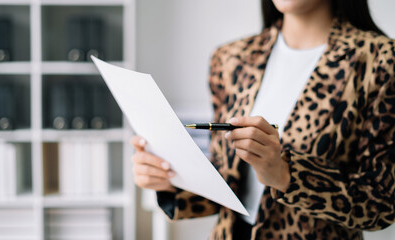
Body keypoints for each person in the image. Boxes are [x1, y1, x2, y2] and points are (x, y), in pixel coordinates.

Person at [131, 0, 395, 239]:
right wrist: (169, 179)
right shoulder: (231, 58)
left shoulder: (380, 61)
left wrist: (285, 175)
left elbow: (381, 203)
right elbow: (226, 177)